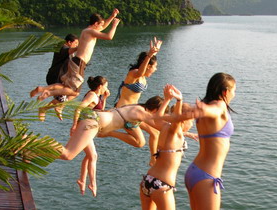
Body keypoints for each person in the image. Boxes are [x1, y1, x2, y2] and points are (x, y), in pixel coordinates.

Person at [116, 85, 198, 210]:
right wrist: (178, 100)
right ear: (184, 120)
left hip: (147, 181)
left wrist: (167, 100)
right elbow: (177, 122)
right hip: (162, 186)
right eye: (192, 122)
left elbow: (159, 117)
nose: (193, 125)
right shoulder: (176, 129)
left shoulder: (164, 128)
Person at [176, 73, 237, 210]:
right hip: (206, 178)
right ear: (224, 91)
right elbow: (214, 110)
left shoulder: (207, 108)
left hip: (195, 173)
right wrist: (201, 109)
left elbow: (205, 111)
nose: (234, 94)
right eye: (233, 90)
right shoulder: (218, 106)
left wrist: (194, 108)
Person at [58, 95, 197, 163]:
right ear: (155, 109)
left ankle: (36, 150)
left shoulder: (137, 110)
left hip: (94, 118)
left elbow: (161, 127)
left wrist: (187, 133)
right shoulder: (141, 112)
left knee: (69, 153)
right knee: (68, 154)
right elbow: (160, 124)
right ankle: (37, 145)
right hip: (95, 121)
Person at [30, 9, 120, 101]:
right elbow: (109, 36)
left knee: (66, 86)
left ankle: (42, 89)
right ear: (96, 24)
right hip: (79, 63)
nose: (102, 27)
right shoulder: (90, 32)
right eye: (100, 24)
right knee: (75, 91)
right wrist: (114, 25)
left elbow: (103, 27)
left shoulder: (88, 31)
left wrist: (112, 16)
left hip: (76, 62)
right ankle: (47, 93)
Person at [114, 38, 162, 158]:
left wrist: (153, 54)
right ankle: (109, 132)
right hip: (124, 111)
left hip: (134, 111)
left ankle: (154, 159)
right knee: (140, 142)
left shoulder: (143, 77)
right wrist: (150, 55)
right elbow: (140, 72)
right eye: (154, 66)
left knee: (155, 133)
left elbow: (143, 71)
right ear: (148, 65)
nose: (155, 69)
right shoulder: (133, 74)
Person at [73, 76, 110, 196]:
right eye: (106, 86)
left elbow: (100, 111)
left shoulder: (97, 96)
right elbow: (78, 108)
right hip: (82, 129)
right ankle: (92, 183)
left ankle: (82, 180)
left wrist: (104, 98)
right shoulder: (92, 96)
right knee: (93, 156)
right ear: (100, 86)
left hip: (87, 129)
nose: (107, 88)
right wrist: (74, 125)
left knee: (90, 156)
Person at [38, 34, 79, 121]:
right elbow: (72, 50)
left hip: (59, 77)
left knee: (75, 93)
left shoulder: (65, 49)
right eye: (75, 43)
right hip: (55, 76)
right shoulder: (62, 48)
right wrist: (84, 45)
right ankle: (43, 109)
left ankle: (59, 107)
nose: (76, 45)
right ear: (69, 42)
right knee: (62, 98)